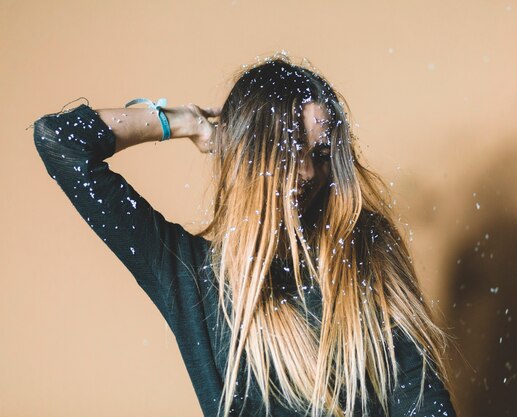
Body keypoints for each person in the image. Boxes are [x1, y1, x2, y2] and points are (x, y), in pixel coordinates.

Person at [33, 55, 457, 417]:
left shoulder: (365, 253)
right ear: (253, 157)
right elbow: (61, 141)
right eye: (289, 152)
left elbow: (424, 401)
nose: (308, 172)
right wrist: (182, 123)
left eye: (322, 154)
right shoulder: (194, 278)